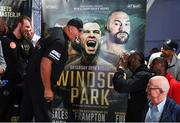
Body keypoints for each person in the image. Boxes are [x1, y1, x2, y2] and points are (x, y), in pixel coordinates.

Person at [19, 18, 83, 122]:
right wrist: (47, 89)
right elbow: (45, 63)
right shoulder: (60, 41)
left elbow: (39, 50)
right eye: (79, 31)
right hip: (40, 85)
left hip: (30, 81)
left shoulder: (53, 32)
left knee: (25, 117)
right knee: (44, 118)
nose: (79, 34)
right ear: (71, 28)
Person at [0, 15, 34, 121]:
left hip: (23, 84)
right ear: (20, 25)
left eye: (30, 27)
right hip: (6, 83)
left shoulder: (27, 42)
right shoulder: (4, 40)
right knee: (4, 113)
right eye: (27, 27)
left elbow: (33, 60)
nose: (29, 30)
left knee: (23, 114)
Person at [112, 50, 152, 122]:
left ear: (134, 60)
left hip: (139, 116)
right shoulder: (140, 73)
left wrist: (121, 68)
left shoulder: (143, 75)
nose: (127, 62)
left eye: (129, 60)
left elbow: (122, 86)